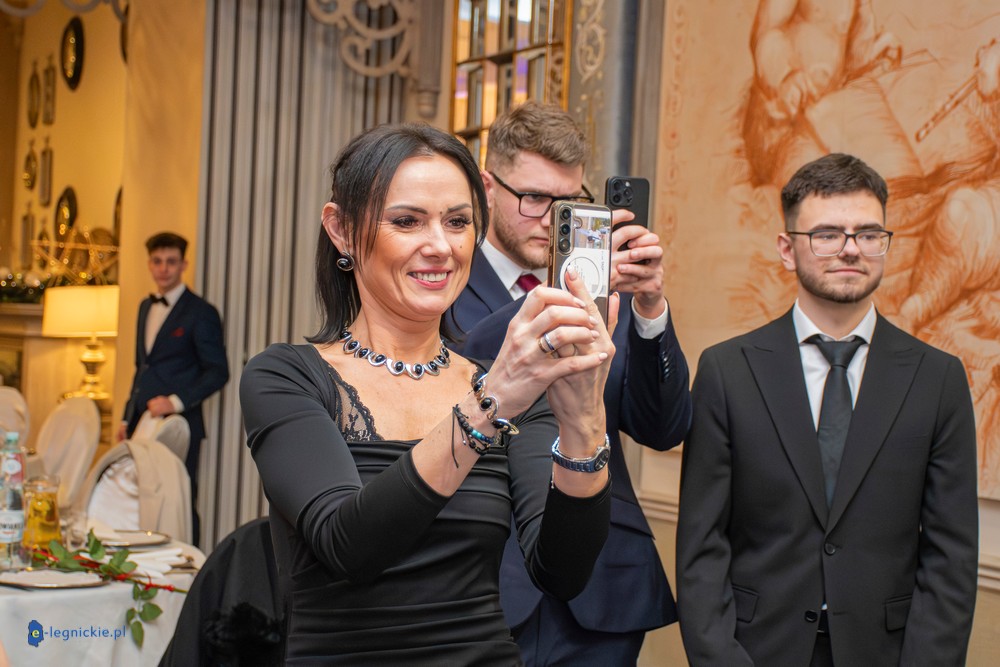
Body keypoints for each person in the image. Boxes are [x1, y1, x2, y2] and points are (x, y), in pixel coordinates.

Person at [240, 123, 619, 664]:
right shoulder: (285, 377)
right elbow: (349, 546)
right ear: (341, 230)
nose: (440, 247)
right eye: (406, 221)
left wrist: (584, 421)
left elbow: (562, 572)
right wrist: (490, 403)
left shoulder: (509, 389)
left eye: (457, 222)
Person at [676, 153, 979, 665]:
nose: (850, 249)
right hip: (757, 650)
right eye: (827, 234)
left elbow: (952, 557)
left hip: (885, 651)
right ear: (787, 249)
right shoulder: (727, 371)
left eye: (868, 234)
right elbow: (702, 547)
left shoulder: (937, 378)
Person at [454, 101, 692, 665]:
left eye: (568, 201)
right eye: (534, 199)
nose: (550, 218)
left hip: (604, 589)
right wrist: (548, 302)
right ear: (487, 188)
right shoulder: (444, 276)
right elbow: (458, 373)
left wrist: (649, 308)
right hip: (482, 580)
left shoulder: (606, 296)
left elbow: (662, 428)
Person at [118, 233, 229, 503]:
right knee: (139, 501)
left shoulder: (202, 312)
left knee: (179, 501)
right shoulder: (145, 306)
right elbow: (141, 367)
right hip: (141, 421)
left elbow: (218, 372)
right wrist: (126, 417)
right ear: (149, 264)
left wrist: (174, 402)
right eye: (157, 261)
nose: (163, 268)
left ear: (183, 265)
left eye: (171, 261)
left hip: (179, 425)